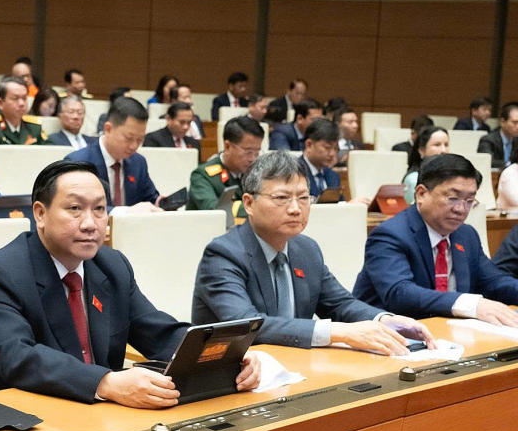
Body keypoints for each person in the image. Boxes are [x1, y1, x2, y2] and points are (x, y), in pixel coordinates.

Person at [0, 160, 261, 404]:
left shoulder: (111, 265)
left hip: (97, 414)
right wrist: (106, 382)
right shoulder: (0, 272)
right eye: (75, 208)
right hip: (19, 416)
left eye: (99, 209)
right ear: (40, 214)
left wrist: (228, 354)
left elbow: (158, 333)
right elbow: (19, 358)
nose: (90, 223)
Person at [193, 151, 434, 353]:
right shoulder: (223, 254)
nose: (295, 209)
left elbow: (340, 304)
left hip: (296, 367)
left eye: (303, 198)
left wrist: (385, 320)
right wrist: (338, 332)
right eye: (282, 198)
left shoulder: (306, 249)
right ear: (248, 203)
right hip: (236, 375)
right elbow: (246, 325)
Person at [353, 154, 518, 326]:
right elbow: (400, 293)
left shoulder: (466, 235)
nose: (461, 209)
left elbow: (495, 282)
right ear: (421, 194)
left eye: (469, 201)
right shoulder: (390, 235)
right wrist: (470, 304)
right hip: (391, 334)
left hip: (450, 332)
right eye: (453, 198)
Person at [67, 97, 161, 211]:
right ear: (108, 129)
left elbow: (150, 198)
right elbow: (78, 208)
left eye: (140, 140)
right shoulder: (78, 163)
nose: (134, 146)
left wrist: (159, 203)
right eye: (128, 138)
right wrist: (126, 212)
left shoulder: (138, 162)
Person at [187, 116, 264, 211]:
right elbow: (214, 210)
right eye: (248, 152)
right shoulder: (202, 176)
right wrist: (260, 208)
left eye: (257, 152)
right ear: (227, 147)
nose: (252, 158)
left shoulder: (254, 173)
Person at [0, 76, 47, 161]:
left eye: (24, 98)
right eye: (15, 98)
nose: (21, 103)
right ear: (1, 103)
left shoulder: (34, 126)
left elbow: (47, 153)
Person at [402, 126, 450, 203]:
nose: (443, 150)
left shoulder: (451, 177)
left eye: (446, 145)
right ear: (421, 150)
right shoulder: (413, 179)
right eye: (437, 145)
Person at [298, 118, 343, 197]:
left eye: (335, 148)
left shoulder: (333, 176)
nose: (332, 154)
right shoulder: (293, 174)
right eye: (327, 147)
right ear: (309, 145)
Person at [478, 102, 518, 169]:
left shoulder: (516, 140)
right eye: (514, 122)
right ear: (503, 122)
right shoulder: (487, 140)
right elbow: (488, 161)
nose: (517, 126)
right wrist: (511, 165)